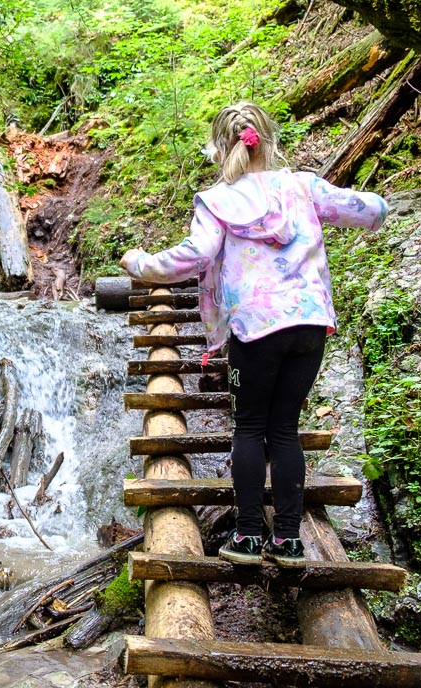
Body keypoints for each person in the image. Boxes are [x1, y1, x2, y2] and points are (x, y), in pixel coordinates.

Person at [119, 102, 388, 568]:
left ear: (221, 148)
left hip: (257, 328)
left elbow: (195, 255)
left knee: (249, 427)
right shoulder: (302, 186)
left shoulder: (217, 200)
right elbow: (367, 209)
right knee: (284, 429)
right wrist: (380, 206)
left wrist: (141, 263)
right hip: (308, 323)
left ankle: (245, 537)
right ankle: (287, 541)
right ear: (268, 139)